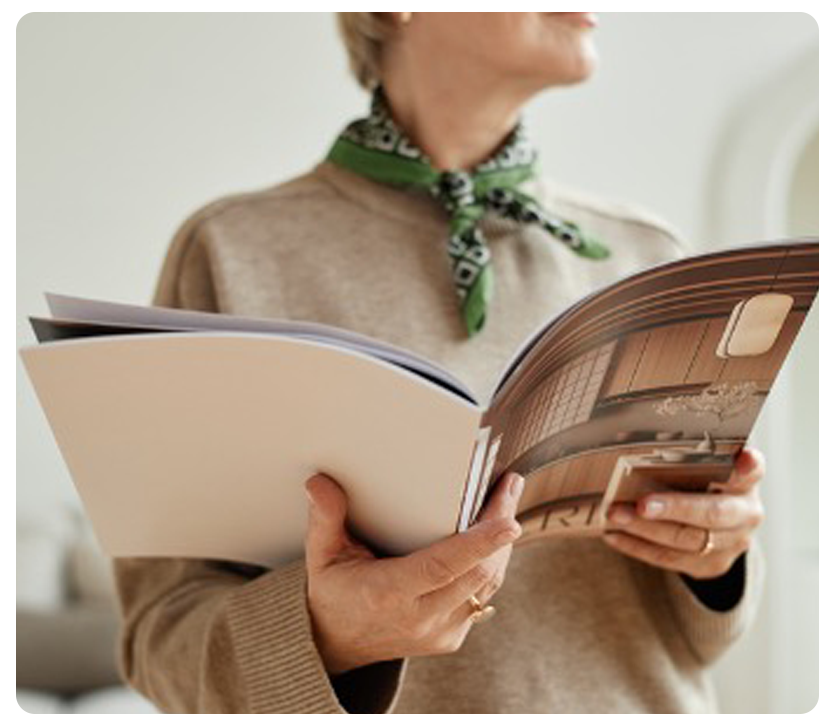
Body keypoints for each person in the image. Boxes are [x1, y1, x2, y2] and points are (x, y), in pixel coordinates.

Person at [113, 13, 766, 713]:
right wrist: (326, 636)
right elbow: (161, 632)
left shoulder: (647, 257)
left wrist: (716, 560)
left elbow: (703, 640)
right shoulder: (231, 251)